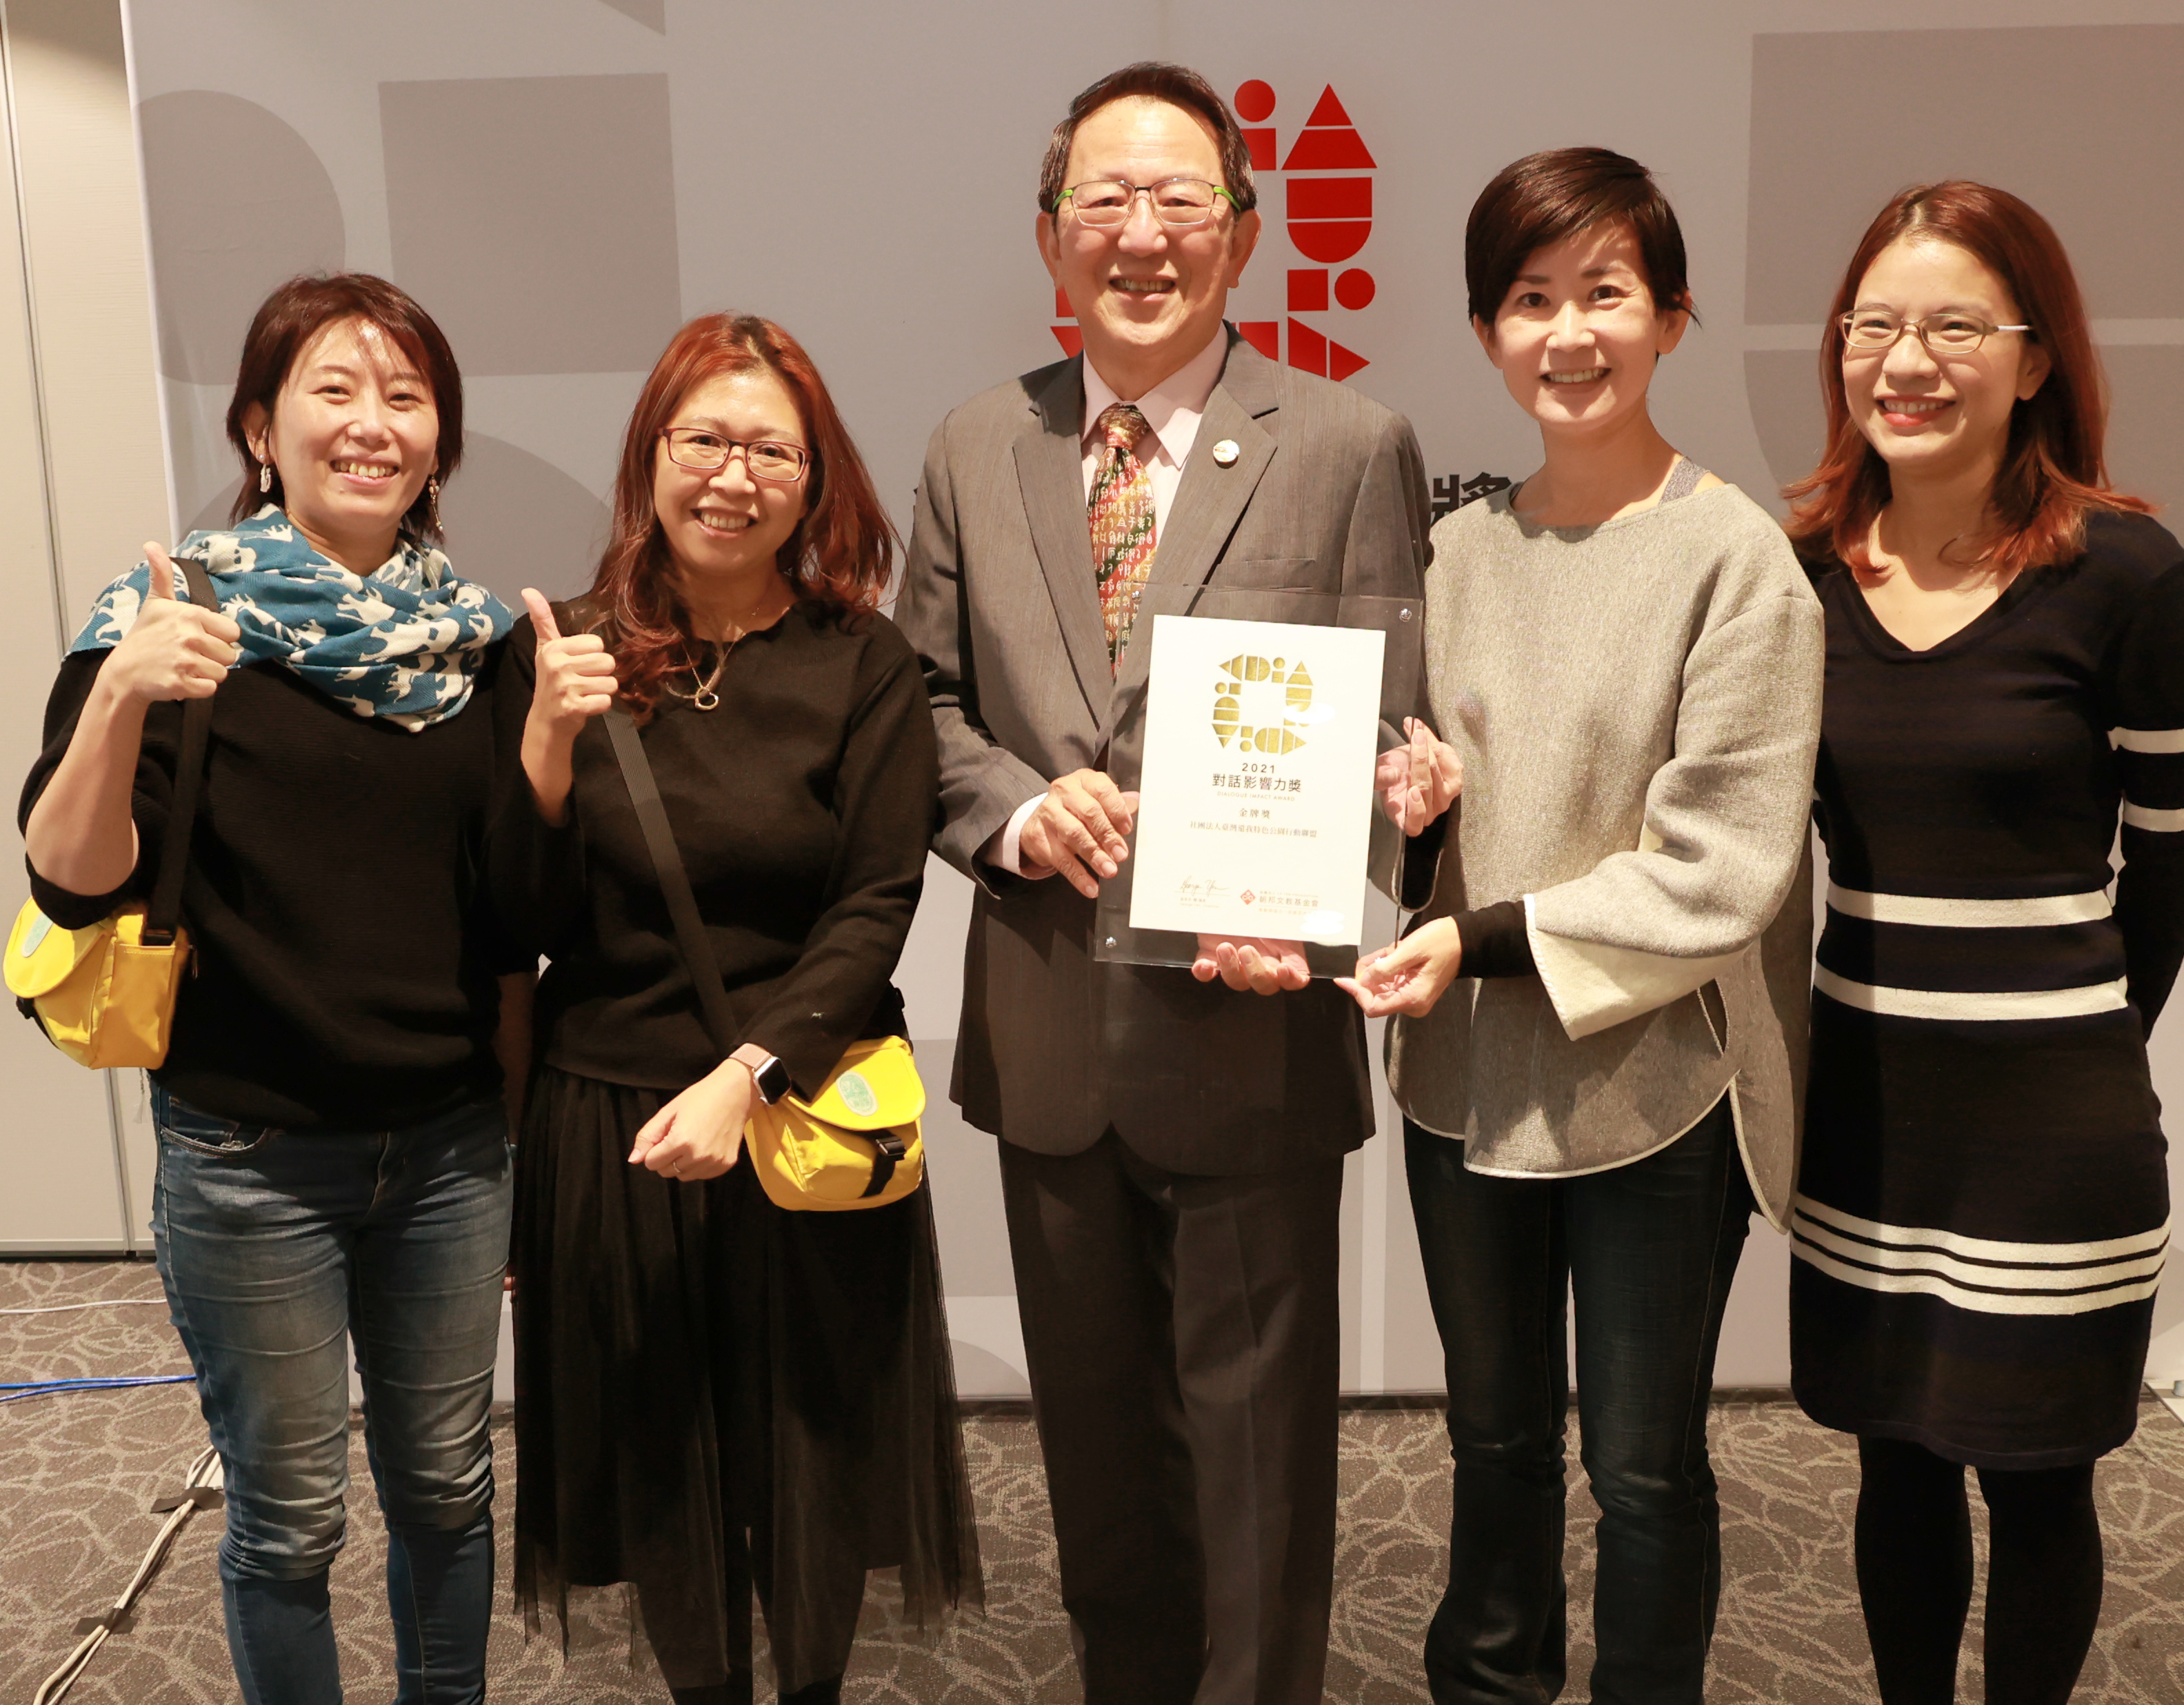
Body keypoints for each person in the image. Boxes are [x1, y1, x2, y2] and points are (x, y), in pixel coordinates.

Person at [894, 60, 1446, 1705]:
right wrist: (1013, 814)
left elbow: (1384, 725)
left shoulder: (1345, 441)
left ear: (1244, 232)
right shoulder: (976, 443)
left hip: (1250, 1026)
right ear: (1050, 235)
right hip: (1049, 1035)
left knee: (1260, 1464)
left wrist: (1323, 905)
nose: (1141, 235)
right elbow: (919, 703)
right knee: (1095, 1457)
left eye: (1179, 200)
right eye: (1106, 201)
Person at [1339, 148, 1822, 1704]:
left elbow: (1723, 866)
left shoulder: (1737, 561)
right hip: (1465, 1080)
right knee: (1489, 1442)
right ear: (1487, 329)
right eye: (1529, 299)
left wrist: (1477, 938)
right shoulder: (1451, 554)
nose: (1567, 334)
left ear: (1669, 318)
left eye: (1603, 294)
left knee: (1642, 1468)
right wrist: (1413, 816)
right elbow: (1413, 820)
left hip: (1655, 1089)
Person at [19, 274, 521, 1704]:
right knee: (289, 1515)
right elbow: (69, 876)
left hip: (447, 1149)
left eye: (406, 397)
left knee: (449, 1486)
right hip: (250, 1157)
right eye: (334, 390)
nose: (373, 424)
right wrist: (125, 693)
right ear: (260, 426)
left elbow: (507, 924)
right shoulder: (174, 616)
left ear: (439, 441)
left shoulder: (479, 644)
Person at [1779, 181, 2184, 1705]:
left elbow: (2177, 854)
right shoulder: (1801, 569)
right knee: (1893, 1464)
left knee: (2038, 1481)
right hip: (1866, 1114)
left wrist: (2079, 1035)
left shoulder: (2127, 577)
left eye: (1955, 327)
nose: (1906, 360)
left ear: (2034, 360)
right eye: (1875, 325)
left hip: (2054, 1135)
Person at [499, 312, 977, 1705]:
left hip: (803, 1110)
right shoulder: (561, 652)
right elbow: (517, 922)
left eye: (773, 450)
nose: (734, 476)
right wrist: (544, 740)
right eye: (703, 440)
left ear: (814, 480)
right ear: (650, 456)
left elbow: (876, 906)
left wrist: (747, 1075)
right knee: (660, 1458)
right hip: (614, 1120)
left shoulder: (862, 662)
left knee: (814, 1449)